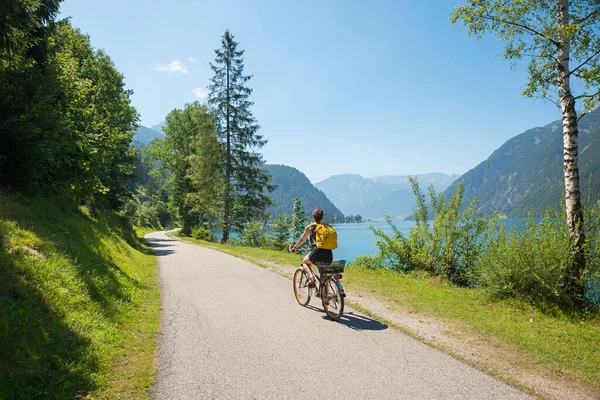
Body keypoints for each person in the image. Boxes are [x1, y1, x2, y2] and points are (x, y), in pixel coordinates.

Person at [291, 207, 333, 287]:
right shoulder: (327, 227)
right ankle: (325, 296)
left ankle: (311, 278)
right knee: (324, 276)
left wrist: (295, 247)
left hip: (317, 253)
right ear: (322, 217)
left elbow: (302, 239)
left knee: (304, 262)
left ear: (313, 217)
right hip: (328, 253)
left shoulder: (310, 228)